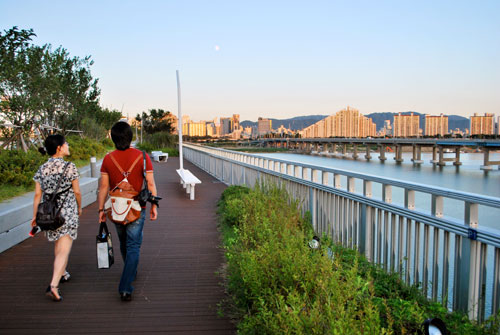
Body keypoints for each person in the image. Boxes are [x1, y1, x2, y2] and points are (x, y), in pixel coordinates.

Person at [98, 121, 158, 301]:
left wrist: (101, 209)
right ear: (130, 137)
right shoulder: (143, 157)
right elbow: (152, 184)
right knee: (133, 246)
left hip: (116, 208)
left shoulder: (108, 159)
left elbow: (103, 187)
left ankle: (130, 270)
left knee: (124, 243)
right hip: (136, 208)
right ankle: (125, 286)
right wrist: (155, 205)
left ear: (113, 138)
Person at [32, 134, 82, 302]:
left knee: (58, 244)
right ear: (59, 148)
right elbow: (77, 191)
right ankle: (53, 285)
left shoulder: (42, 168)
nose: (68, 145)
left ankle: (63, 272)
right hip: (67, 212)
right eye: (65, 143)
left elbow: (37, 195)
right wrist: (79, 206)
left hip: (49, 214)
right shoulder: (70, 167)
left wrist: (34, 217)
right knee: (64, 249)